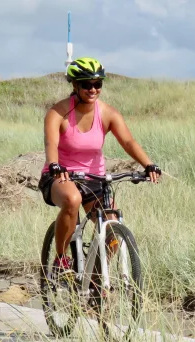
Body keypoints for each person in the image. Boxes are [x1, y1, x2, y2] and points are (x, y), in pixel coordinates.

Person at [40, 57, 161, 274]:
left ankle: (95, 279)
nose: (93, 89)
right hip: (61, 176)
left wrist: (149, 164)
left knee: (113, 232)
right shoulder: (58, 113)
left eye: (98, 84)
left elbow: (128, 142)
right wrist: (54, 165)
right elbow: (51, 143)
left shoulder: (107, 113)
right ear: (75, 85)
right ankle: (60, 259)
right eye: (87, 84)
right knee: (73, 199)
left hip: (94, 179)